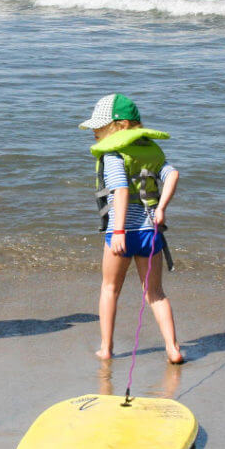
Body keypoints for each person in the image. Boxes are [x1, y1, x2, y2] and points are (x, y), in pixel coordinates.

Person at [80, 93, 183, 364]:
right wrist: (161, 208)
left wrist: (118, 231)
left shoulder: (114, 152)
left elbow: (121, 190)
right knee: (156, 294)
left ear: (121, 126)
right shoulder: (152, 150)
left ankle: (106, 348)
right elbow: (172, 174)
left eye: (100, 126)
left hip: (122, 235)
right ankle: (173, 349)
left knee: (110, 289)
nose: (94, 131)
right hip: (151, 233)